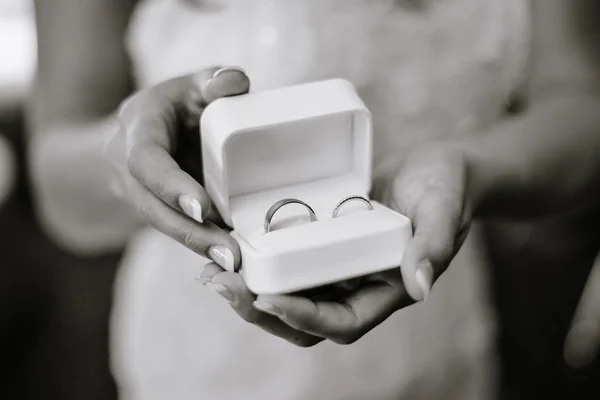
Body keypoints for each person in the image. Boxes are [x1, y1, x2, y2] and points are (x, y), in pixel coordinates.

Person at [29, 0, 600, 399]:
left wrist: (470, 171)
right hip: (200, 366)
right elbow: (59, 187)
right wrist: (131, 161)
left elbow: (579, 104)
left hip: (432, 348)